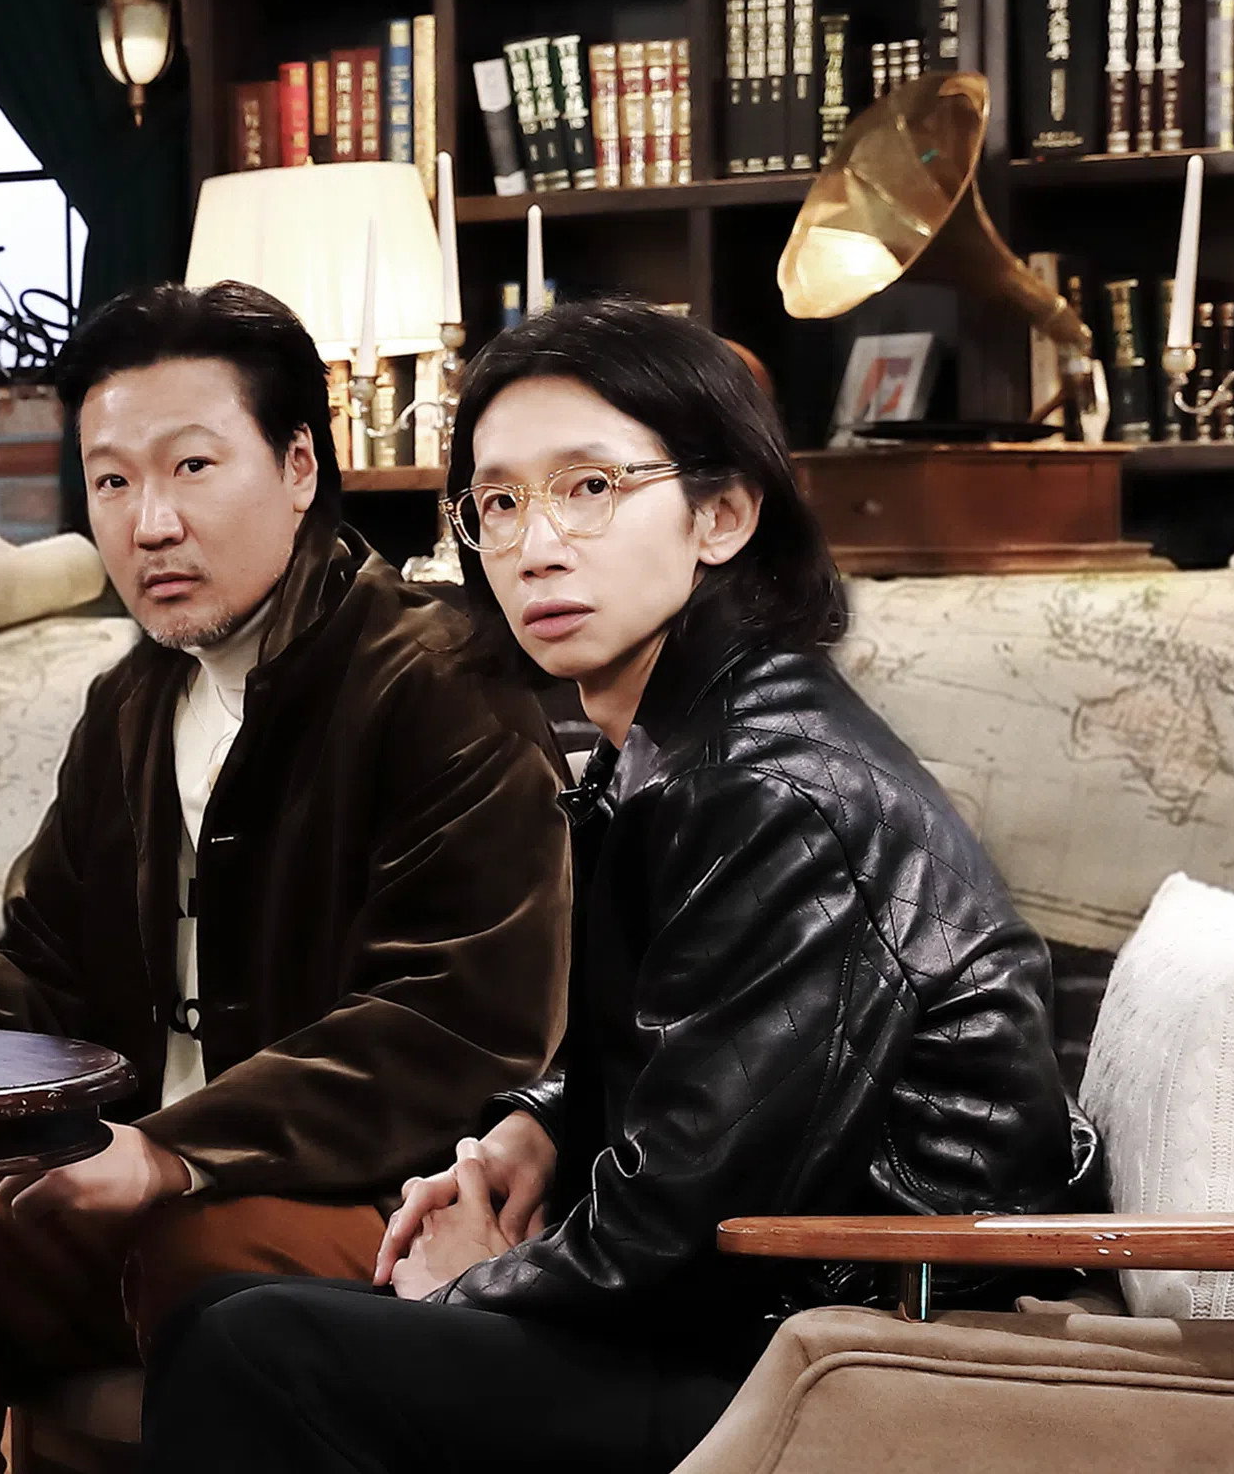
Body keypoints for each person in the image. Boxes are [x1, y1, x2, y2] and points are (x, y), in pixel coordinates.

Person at [146, 298, 1096, 1473]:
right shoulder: (676, 747)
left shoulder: (772, 792)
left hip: (861, 1358)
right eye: (499, 503)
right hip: (756, 1319)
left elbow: (682, 1228)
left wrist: (471, 1283)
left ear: (722, 513)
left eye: (590, 486)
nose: (535, 545)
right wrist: (533, 1130)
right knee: (215, 1319)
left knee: (251, 1352)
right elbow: (694, 1061)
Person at [0, 280, 574, 1471]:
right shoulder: (131, 703)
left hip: (376, 1196)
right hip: (141, 1187)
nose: (150, 525)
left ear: (298, 467)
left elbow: (460, 1022)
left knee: (205, 1256)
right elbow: (41, 964)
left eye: (192, 467)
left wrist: (173, 1152)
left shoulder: (439, 680)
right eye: (111, 482)